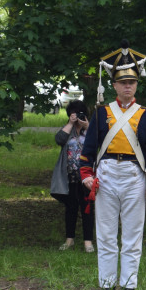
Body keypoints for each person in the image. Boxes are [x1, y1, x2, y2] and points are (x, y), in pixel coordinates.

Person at [79, 45, 146, 290]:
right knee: (105, 234)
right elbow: (89, 149)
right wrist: (86, 175)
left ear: (136, 85)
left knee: (132, 234)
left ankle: (128, 286)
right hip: (105, 176)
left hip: (133, 176)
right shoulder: (101, 113)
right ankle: (105, 285)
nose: (128, 86)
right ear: (114, 85)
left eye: (132, 82)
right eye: (123, 82)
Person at [51, 99, 94, 253]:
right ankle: (69, 240)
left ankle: (88, 242)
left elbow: (100, 143)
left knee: (87, 208)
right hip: (70, 176)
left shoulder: (90, 129)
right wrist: (70, 123)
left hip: (87, 176)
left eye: (80, 113)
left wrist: (87, 126)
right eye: (74, 114)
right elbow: (59, 140)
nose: (77, 117)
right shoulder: (67, 130)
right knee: (71, 208)